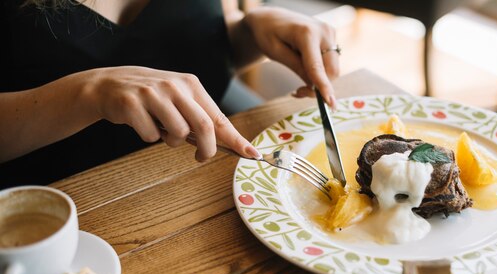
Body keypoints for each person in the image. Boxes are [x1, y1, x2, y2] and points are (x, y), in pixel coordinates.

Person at [0, 0, 340, 187]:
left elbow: (204, 35)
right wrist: (87, 93)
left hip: (203, 177)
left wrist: (252, 29)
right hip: (60, 205)